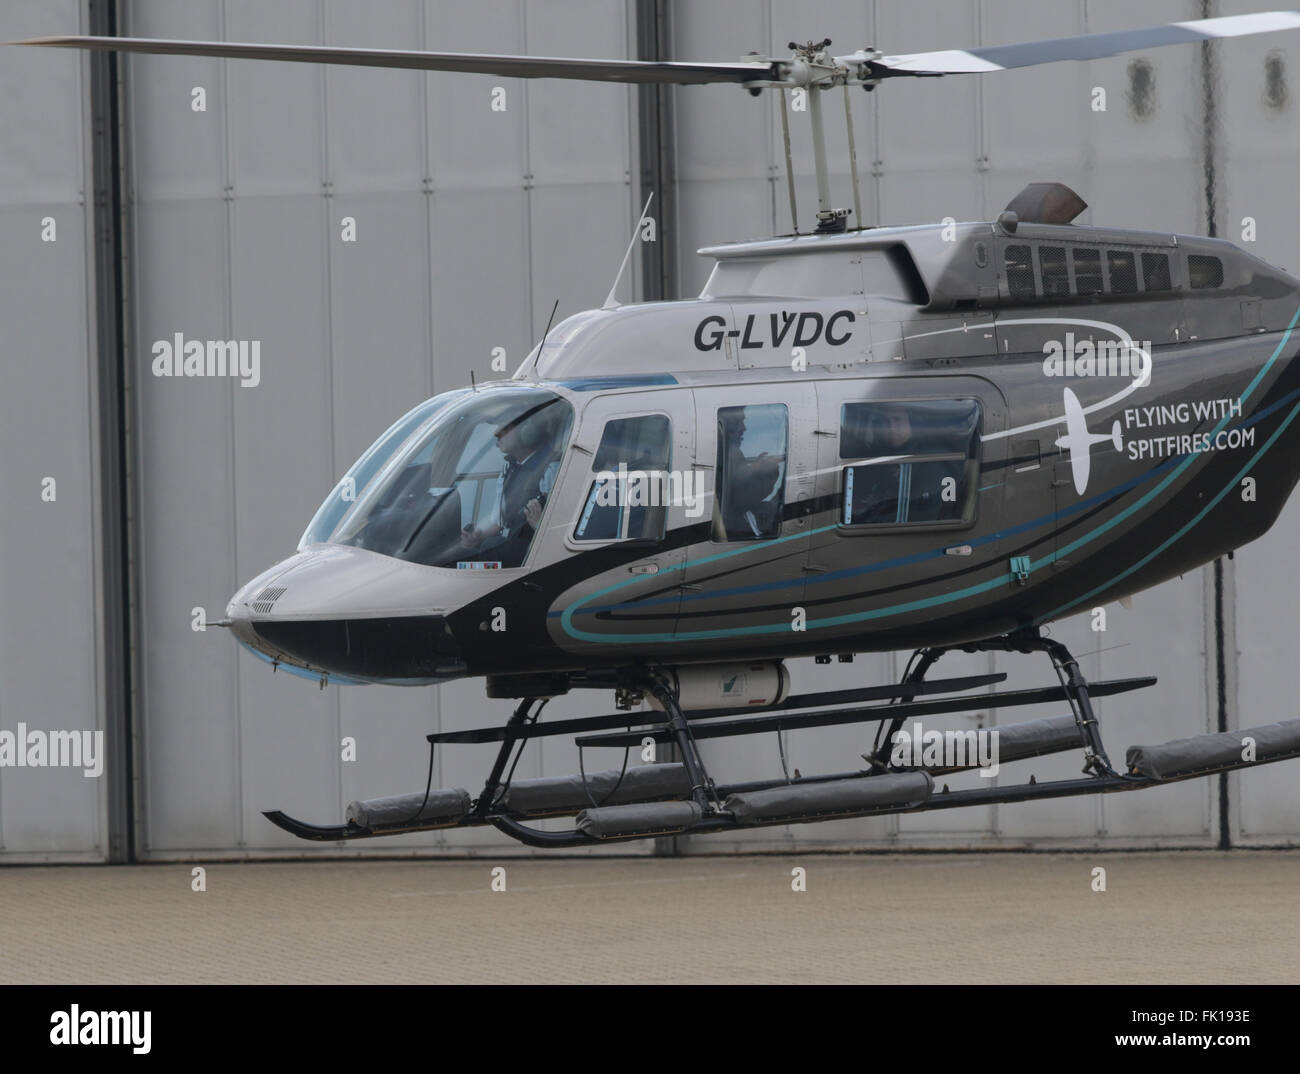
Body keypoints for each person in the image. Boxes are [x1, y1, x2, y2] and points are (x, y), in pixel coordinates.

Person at [459, 404, 563, 564]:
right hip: (508, 547)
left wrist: (539, 525)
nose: (497, 433)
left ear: (528, 432)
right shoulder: (509, 469)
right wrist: (479, 536)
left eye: (505, 427)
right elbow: (500, 522)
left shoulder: (551, 468)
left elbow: (559, 527)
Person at [715, 407, 783, 541]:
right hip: (733, 527)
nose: (744, 428)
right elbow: (743, 496)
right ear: (729, 425)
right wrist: (769, 470)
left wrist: (754, 468)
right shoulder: (731, 452)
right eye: (740, 422)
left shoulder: (727, 450)